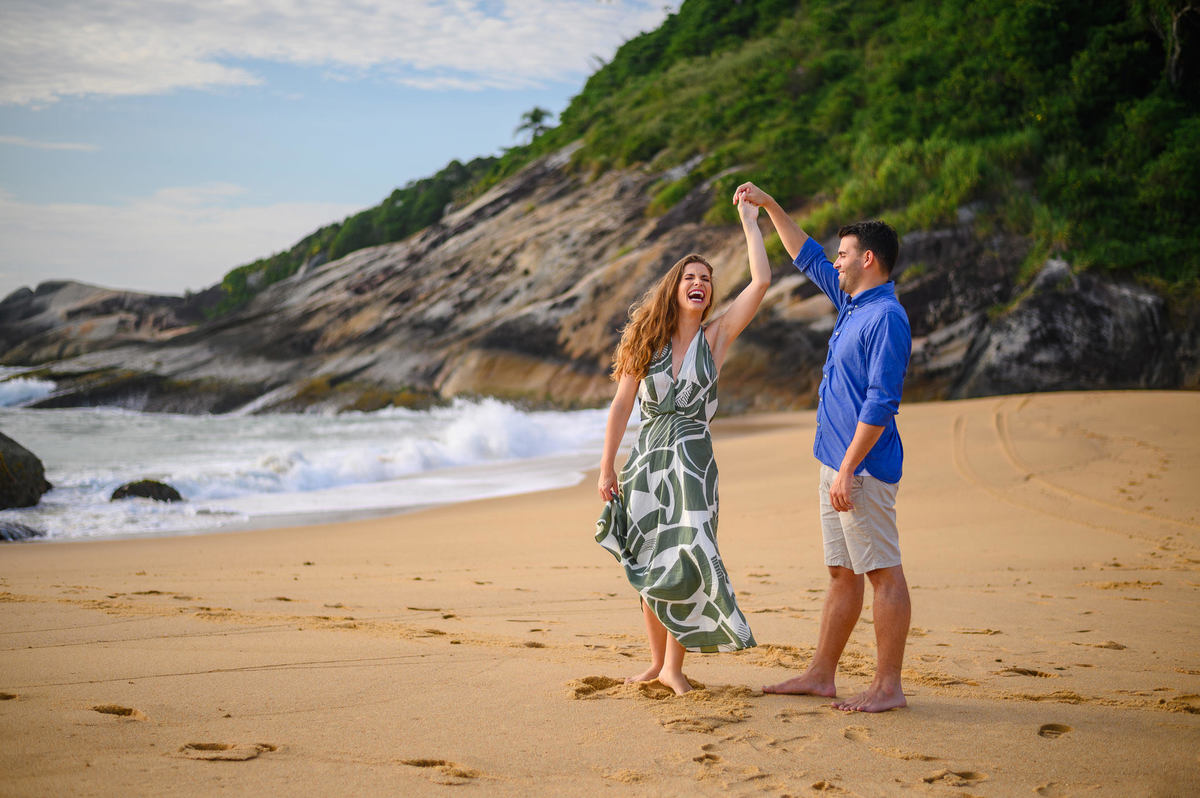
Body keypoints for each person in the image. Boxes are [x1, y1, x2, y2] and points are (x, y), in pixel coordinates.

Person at [733, 181, 912, 713]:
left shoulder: (886, 318)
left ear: (869, 259)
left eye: (844, 255)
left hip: (862, 469)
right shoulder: (853, 302)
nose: (836, 262)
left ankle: (887, 686)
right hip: (834, 463)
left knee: (883, 572)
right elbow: (805, 254)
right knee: (841, 572)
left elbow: (881, 403)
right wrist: (768, 206)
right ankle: (821, 674)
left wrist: (848, 470)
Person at [594, 195, 771, 696]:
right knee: (651, 558)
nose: (700, 284)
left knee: (688, 554)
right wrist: (607, 467)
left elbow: (760, 282)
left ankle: (674, 666)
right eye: (691, 277)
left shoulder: (716, 338)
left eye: (707, 279)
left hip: (693, 465)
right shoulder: (644, 343)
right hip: (647, 463)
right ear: (675, 288)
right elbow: (621, 407)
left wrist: (749, 223)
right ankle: (657, 663)